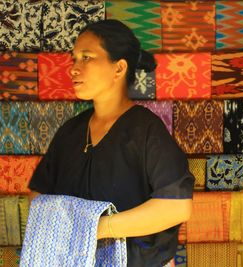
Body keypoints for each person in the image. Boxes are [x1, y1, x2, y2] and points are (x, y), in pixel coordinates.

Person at [28, 19, 194, 267]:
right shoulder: (70, 133)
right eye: (74, 59)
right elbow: (38, 197)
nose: (74, 68)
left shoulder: (146, 130)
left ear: (119, 68)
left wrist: (97, 228)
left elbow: (177, 207)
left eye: (87, 57)